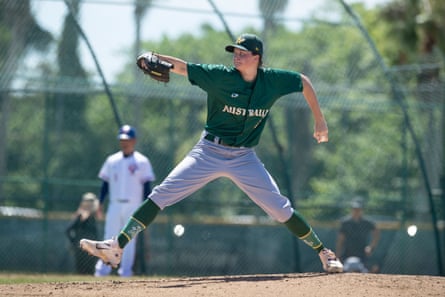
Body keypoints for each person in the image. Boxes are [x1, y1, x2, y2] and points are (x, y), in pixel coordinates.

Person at [80, 33, 343, 273]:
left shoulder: (273, 81)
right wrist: (155, 57)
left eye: (242, 52)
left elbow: (304, 82)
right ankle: (117, 247)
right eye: (234, 51)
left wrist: (319, 120)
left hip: (244, 157)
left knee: (280, 209)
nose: (236, 55)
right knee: (161, 194)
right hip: (208, 151)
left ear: (256, 57)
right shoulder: (220, 76)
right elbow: (183, 67)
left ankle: (325, 253)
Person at [93, 124, 156, 277]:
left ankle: (125, 271)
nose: (124, 142)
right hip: (114, 204)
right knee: (109, 236)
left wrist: (147, 209)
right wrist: (100, 203)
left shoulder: (142, 161)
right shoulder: (112, 160)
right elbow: (105, 185)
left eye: (127, 139)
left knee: (129, 240)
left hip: (134, 206)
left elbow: (147, 188)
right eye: (122, 139)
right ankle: (103, 270)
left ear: (134, 140)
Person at [336, 197, 380, 273]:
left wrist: (371, 247)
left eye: (358, 209)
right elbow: (340, 239)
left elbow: (376, 234)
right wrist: (338, 255)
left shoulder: (367, 222)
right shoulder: (346, 222)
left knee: (374, 267)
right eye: (354, 209)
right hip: (347, 252)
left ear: (362, 210)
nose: (356, 211)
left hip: (363, 253)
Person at [66, 192, 99, 274]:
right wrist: (73, 242)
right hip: (81, 246)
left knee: (91, 271)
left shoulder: (92, 216)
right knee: (81, 271)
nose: (90, 203)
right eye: (88, 201)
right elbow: (68, 230)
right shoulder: (80, 215)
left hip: (92, 246)